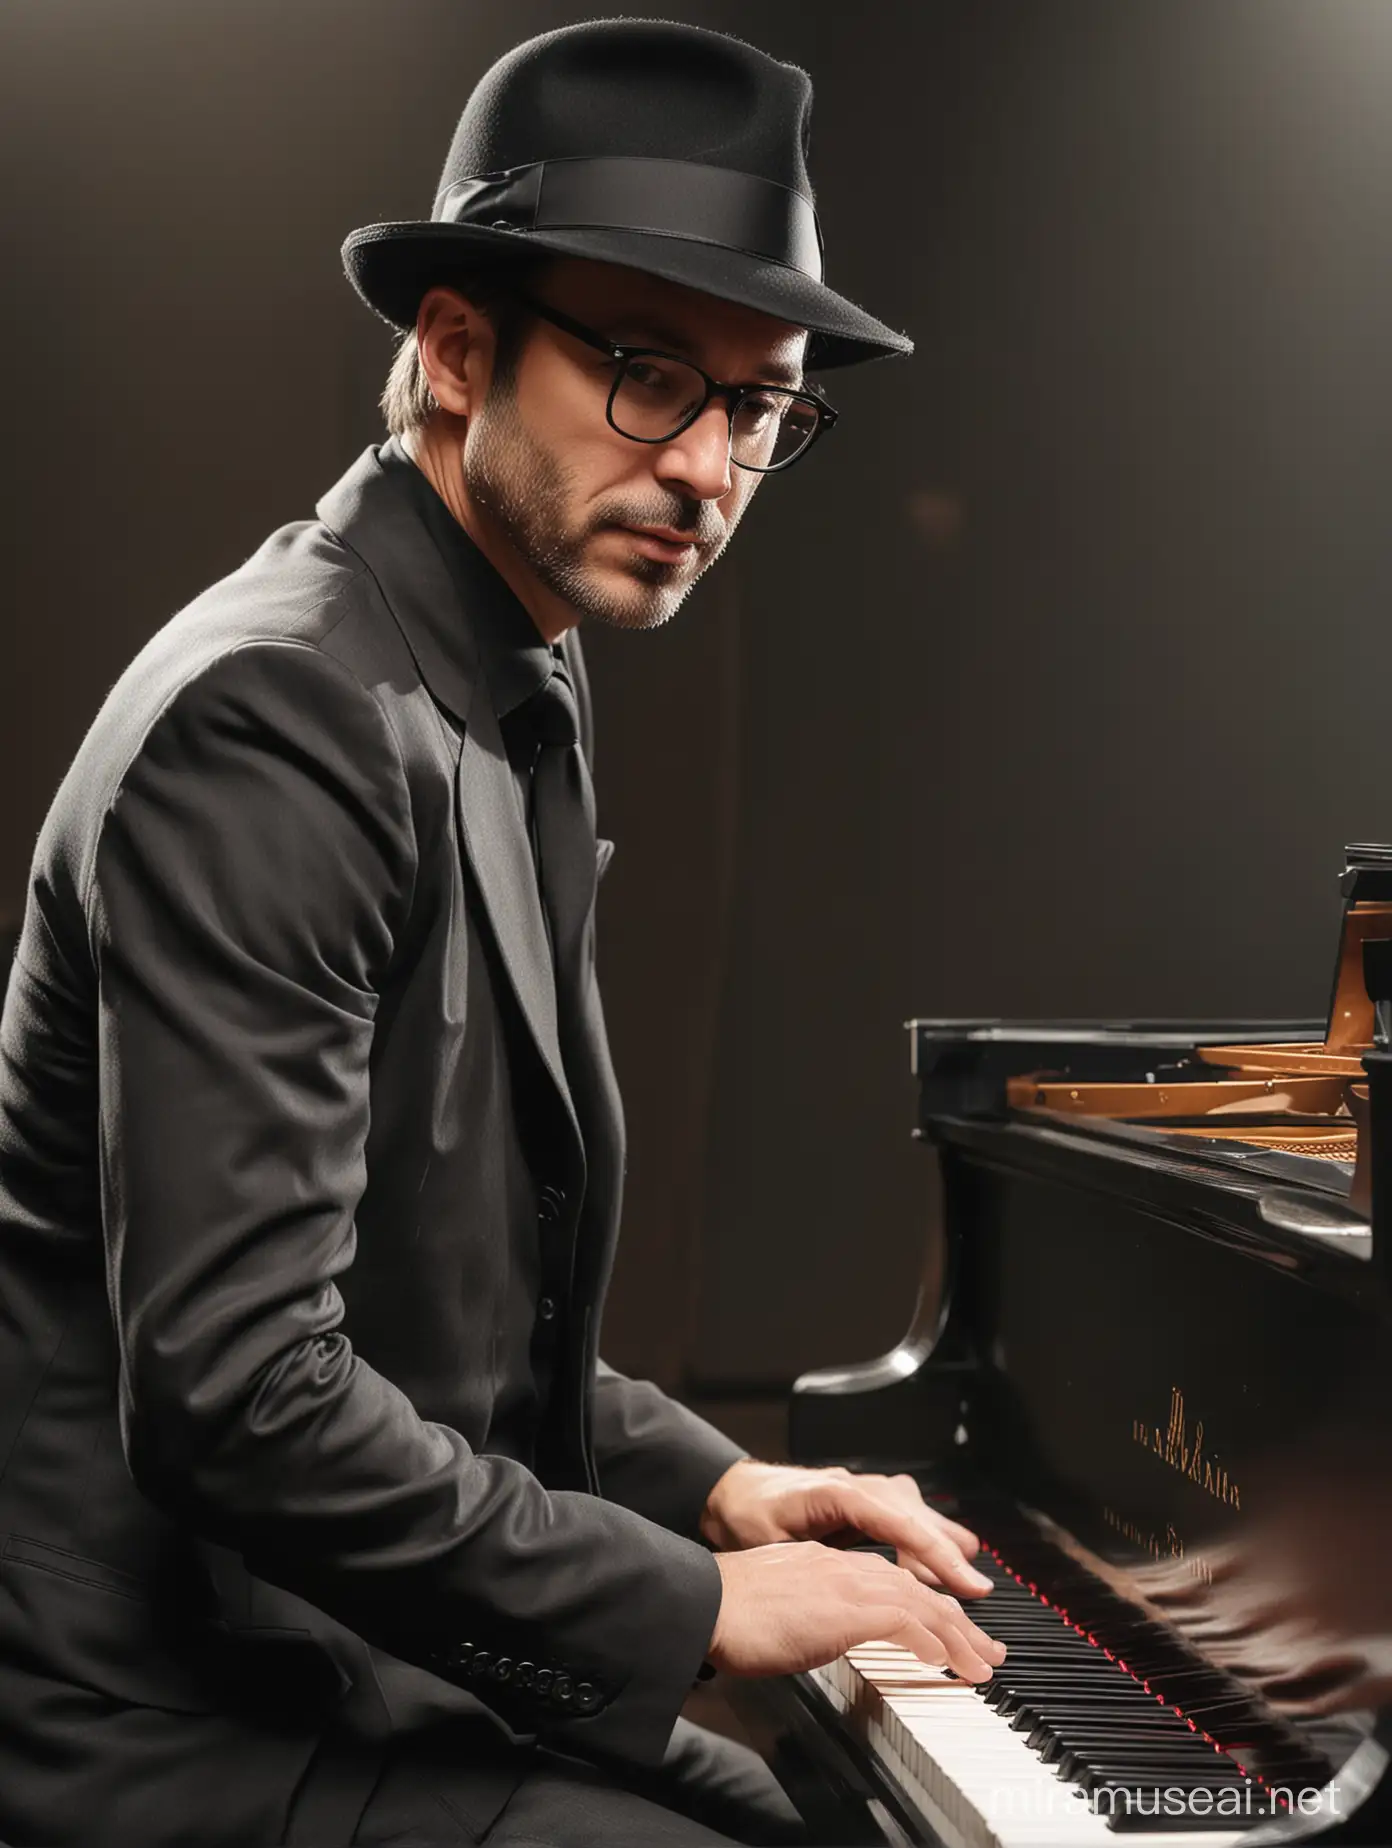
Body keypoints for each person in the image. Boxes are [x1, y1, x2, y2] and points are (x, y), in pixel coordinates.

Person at [0, 20, 1005, 1846]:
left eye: (761, 405)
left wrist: (718, 1491)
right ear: (454, 353)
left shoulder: (502, 664)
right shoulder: (279, 717)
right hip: (179, 1717)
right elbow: (240, 1396)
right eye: (648, 376)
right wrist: (690, 1611)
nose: (710, 466)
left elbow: (446, 1317)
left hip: (356, 1654)